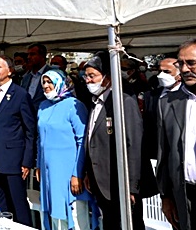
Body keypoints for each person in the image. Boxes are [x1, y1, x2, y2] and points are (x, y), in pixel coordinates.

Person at [83, 51, 143, 230]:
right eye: (85, 76)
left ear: (108, 78)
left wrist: (131, 186)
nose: (87, 80)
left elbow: (133, 144)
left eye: (92, 76)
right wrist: (89, 172)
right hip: (101, 181)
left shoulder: (124, 102)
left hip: (120, 182)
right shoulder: (95, 102)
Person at [36, 69, 92, 230]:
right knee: (54, 214)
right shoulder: (43, 106)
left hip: (68, 173)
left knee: (75, 216)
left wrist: (77, 173)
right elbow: (40, 138)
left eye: (50, 82)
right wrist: (39, 165)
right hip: (49, 172)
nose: (46, 86)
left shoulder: (74, 105)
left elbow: (82, 141)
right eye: (43, 82)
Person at [0, 56, 36, 226]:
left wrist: (27, 161)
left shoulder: (20, 95)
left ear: (10, 70)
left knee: (18, 204)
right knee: (0, 204)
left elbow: (30, 130)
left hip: (13, 159)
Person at [157, 39, 196, 230]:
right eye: (181, 63)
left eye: (192, 62)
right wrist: (165, 197)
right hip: (184, 193)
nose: (186, 69)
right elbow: (164, 152)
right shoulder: (168, 103)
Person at [21, 43, 50, 110]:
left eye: (32, 54)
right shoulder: (26, 78)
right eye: (28, 54)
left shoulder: (53, 74)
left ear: (42, 56)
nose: (28, 57)